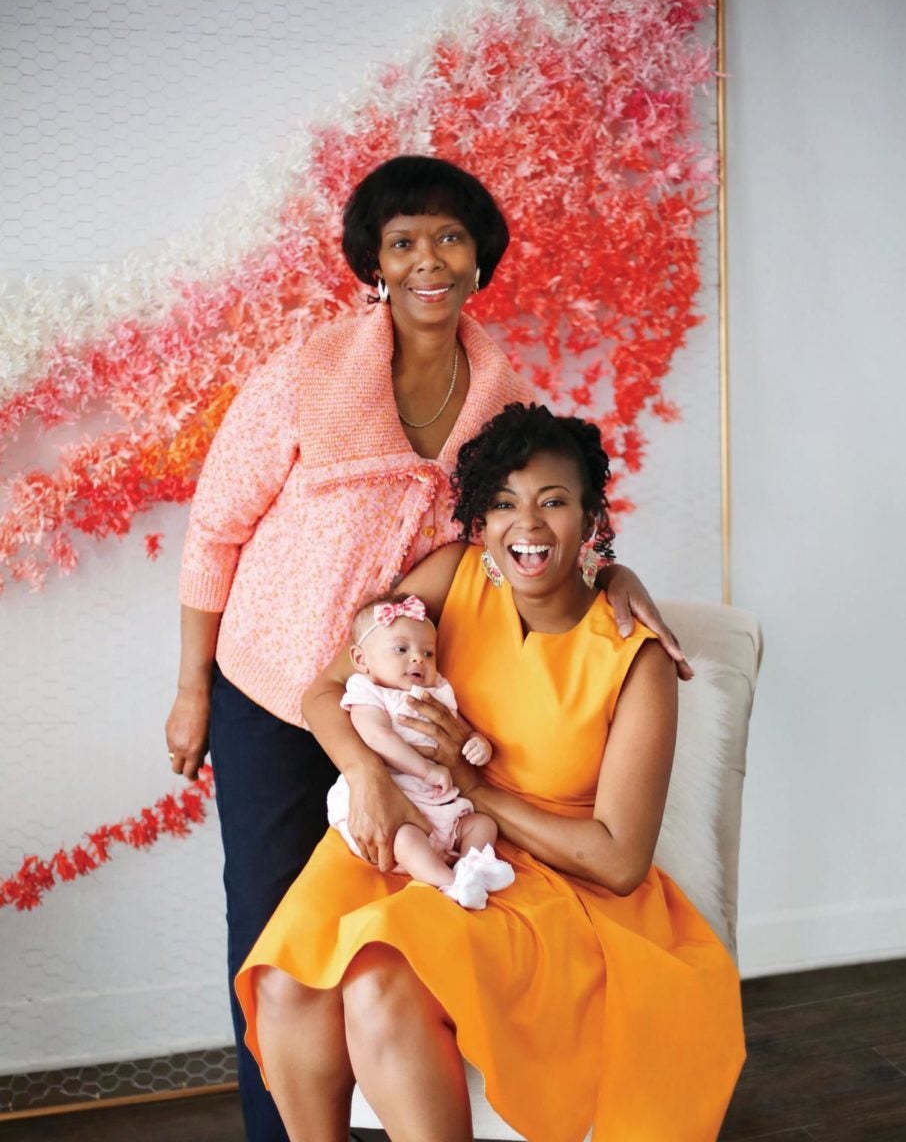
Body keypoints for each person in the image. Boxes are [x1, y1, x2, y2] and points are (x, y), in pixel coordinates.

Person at [165, 154, 690, 1142]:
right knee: (277, 935)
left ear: (479, 258)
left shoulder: (501, 391)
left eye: (449, 238)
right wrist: (193, 687)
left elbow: (532, 519)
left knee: (383, 918)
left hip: (408, 704)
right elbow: (215, 528)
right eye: (403, 241)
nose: (428, 261)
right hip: (275, 689)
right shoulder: (308, 373)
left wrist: (616, 573)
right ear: (374, 261)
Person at [235, 403, 744, 1142]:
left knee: (378, 983)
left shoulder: (634, 658)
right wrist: (367, 777)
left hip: (546, 877)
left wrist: (475, 790)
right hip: (413, 825)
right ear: (481, 518)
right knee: (286, 984)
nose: (526, 525)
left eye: (553, 502)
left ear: (591, 517)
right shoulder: (455, 576)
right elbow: (327, 689)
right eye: (504, 503)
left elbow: (619, 861)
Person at [328, 591, 514, 910]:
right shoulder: (369, 692)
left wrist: (476, 742)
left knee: (483, 825)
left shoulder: (437, 689)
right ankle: (450, 885)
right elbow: (376, 736)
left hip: (438, 802)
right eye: (401, 649)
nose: (418, 659)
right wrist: (426, 770)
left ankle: (471, 869)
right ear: (361, 659)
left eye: (428, 652)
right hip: (392, 799)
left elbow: (457, 728)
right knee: (405, 839)